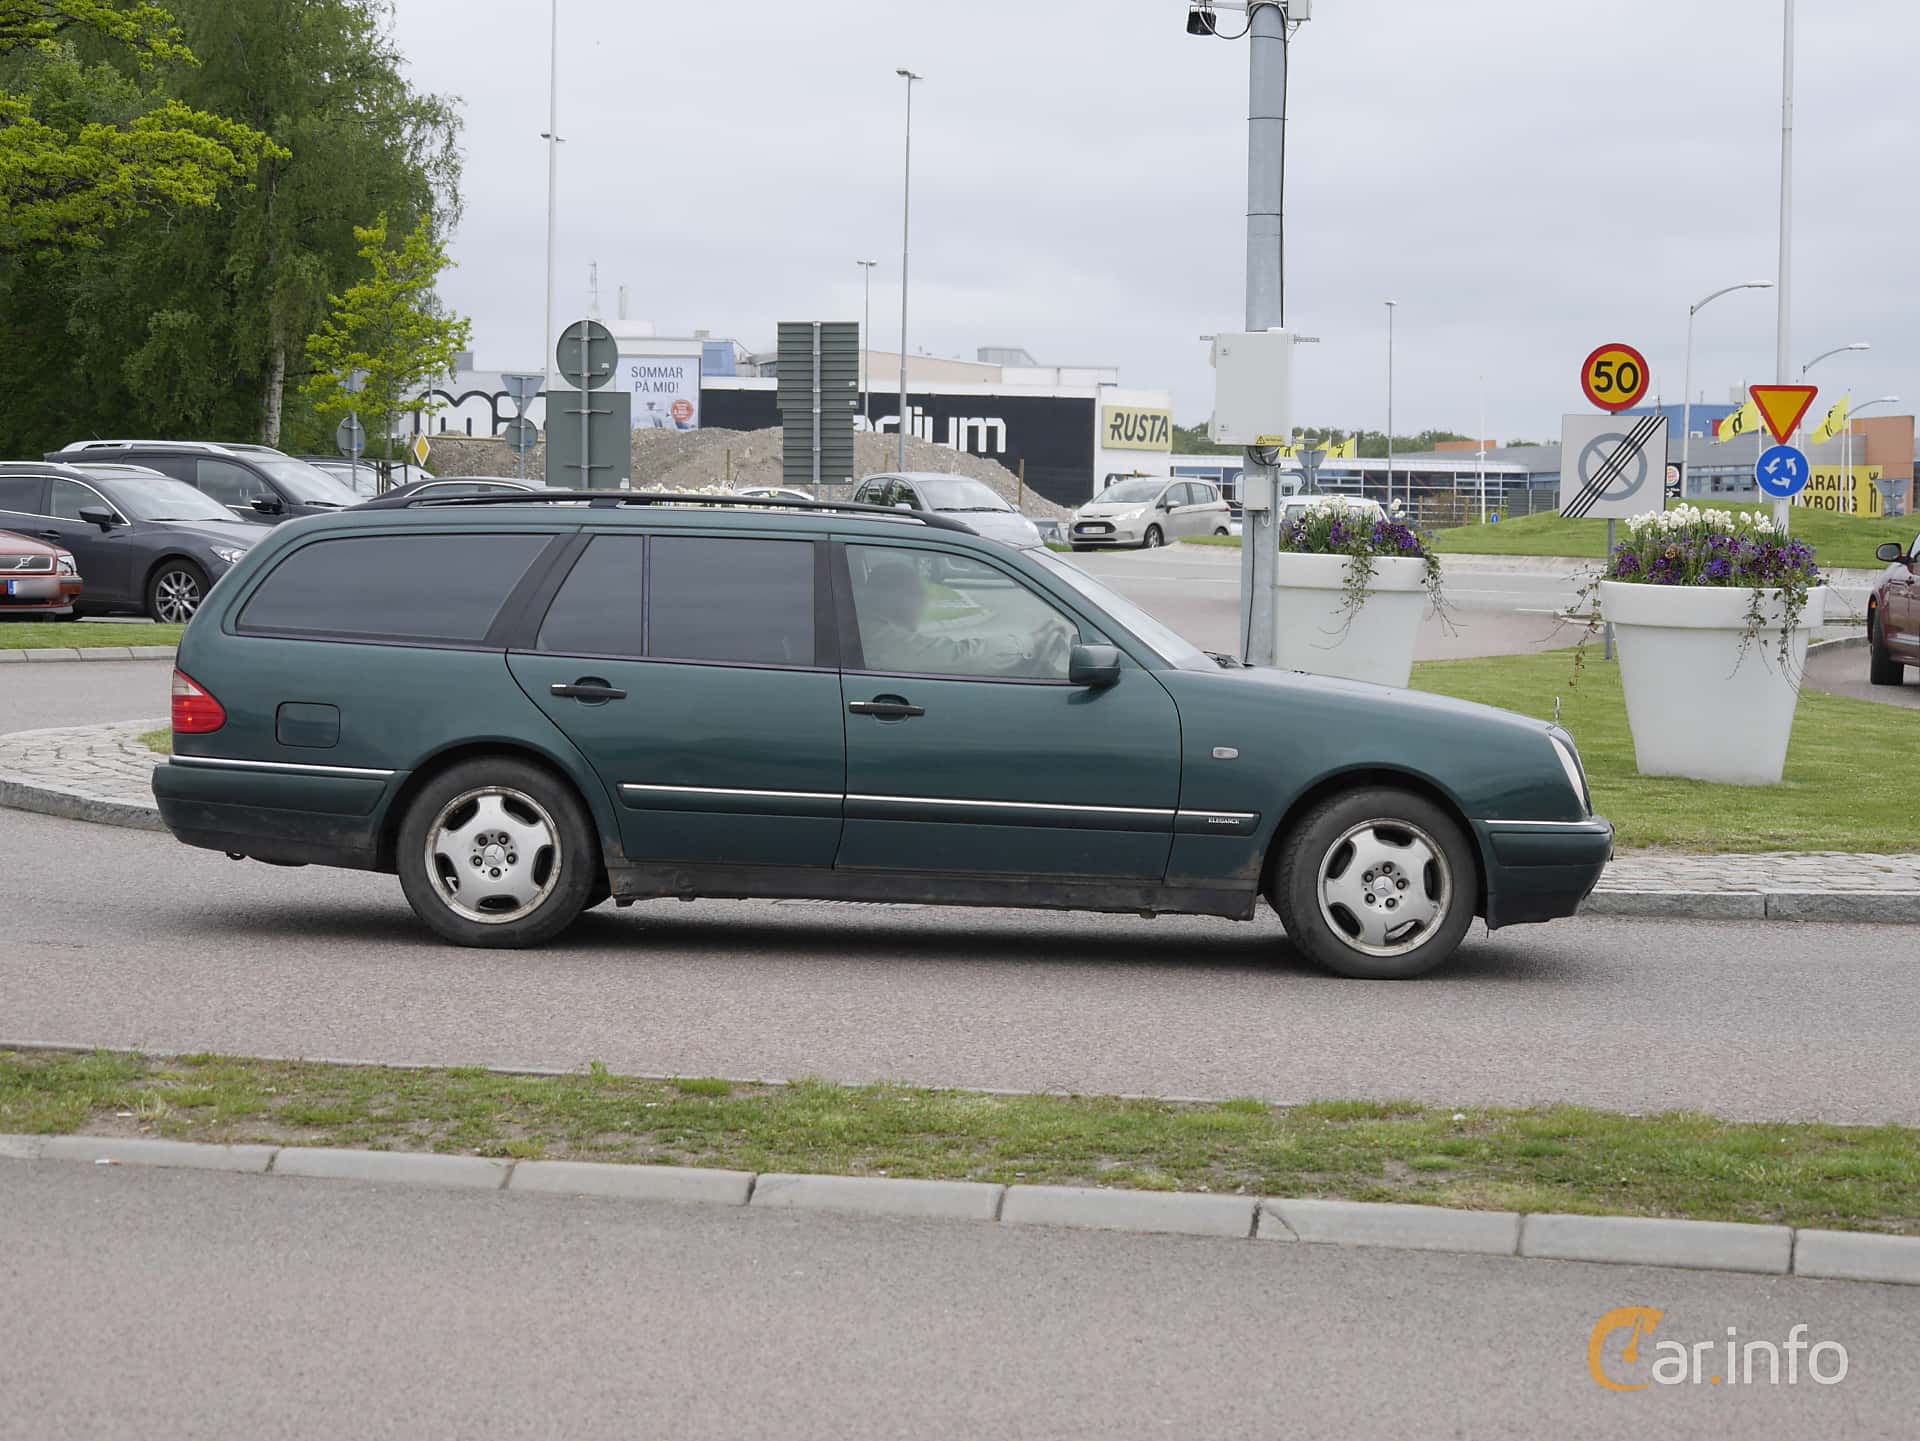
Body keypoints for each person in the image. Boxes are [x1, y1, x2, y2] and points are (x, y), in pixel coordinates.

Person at [855, 560, 1072, 679]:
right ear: (895, 599)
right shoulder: (880, 638)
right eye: (917, 594)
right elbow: (959, 656)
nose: (923, 602)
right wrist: (1031, 642)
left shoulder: (868, 629)